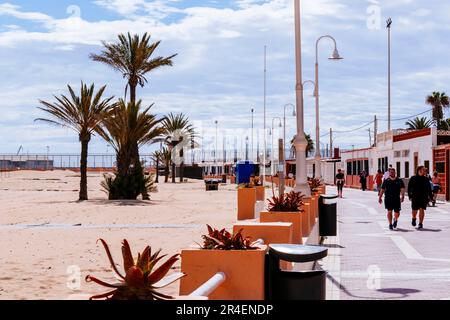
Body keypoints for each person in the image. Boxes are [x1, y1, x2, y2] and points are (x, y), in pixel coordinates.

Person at [408, 166, 433, 230]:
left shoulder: (426, 179)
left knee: (422, 209)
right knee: (414, 210)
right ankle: (414, 218)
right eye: (423, 170)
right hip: (415, 197)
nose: (425, 171)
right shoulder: (413, 178)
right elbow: (409, 187)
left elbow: (429, 188)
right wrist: (409, 196)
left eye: (425, 170)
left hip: (423, 197)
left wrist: (431, 197)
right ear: (419, 170)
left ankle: (420, 223)